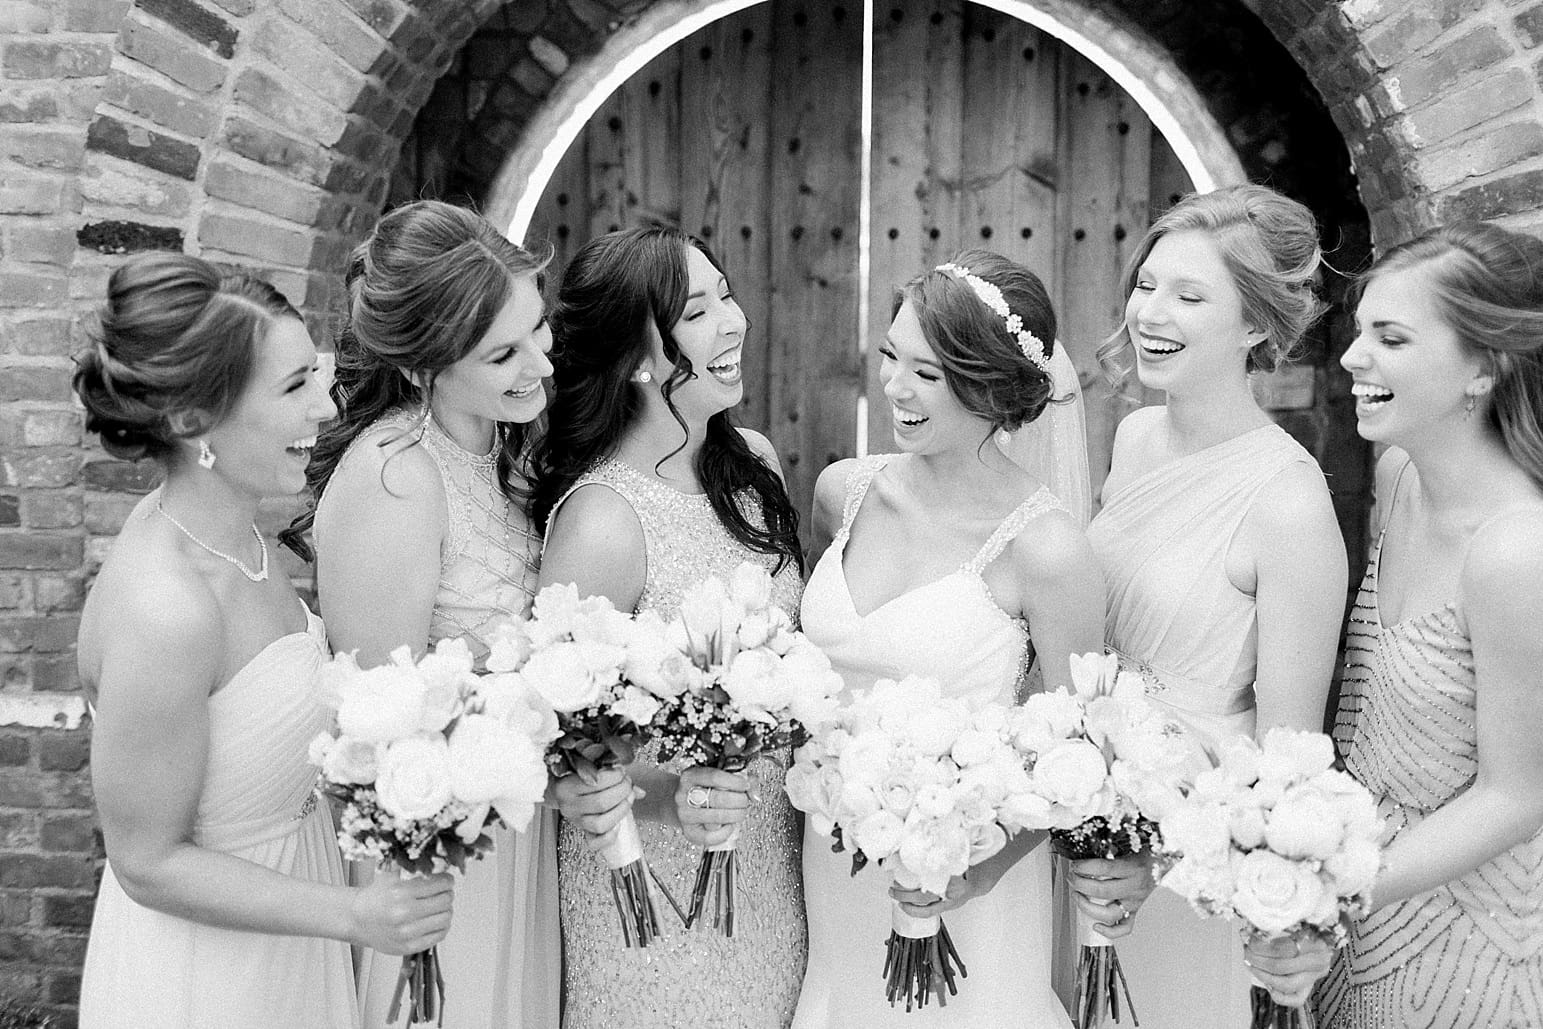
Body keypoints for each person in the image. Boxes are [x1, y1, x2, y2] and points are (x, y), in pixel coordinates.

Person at [74, 252, 453, 1028]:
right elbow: (144, 861)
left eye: (313, 371)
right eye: (291, 388)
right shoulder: (166, 607)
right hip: (208, 979)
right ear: (190, 422)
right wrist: (353, 915)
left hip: (288, 939)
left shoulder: (235, 535)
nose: (324, 404)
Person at [793, 250, 1105, 1028]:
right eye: (891, 356)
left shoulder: (1047, 551)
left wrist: (977, 871)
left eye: (927, 373)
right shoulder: (843, 492)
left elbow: (1074, 756)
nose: (895, 387)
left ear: (992, 385)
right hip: (831, 867)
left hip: (965, 885)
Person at [1069, 185, 1349, 1024]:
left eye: (1190, 296)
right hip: (1090, 822)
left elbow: (1284, 766)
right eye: (1147, 284)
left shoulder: (1288, 502)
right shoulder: (1132, 438)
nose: (1152, 310)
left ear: (1256, 326)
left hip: (1191, 863)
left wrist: (1153, 855)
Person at [285, 200, 557, 1029]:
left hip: (515, 828)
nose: (539, 365)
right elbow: (374, 722)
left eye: (539, 330)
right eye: (503, 353)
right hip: (437, 852)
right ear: (422, 366)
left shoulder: (507, 446)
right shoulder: (395, 476)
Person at [531, 226, 807, 1029]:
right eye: (697, 310)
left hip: (767, 863)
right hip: (649, 884)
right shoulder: (601, 522)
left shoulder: (753, 464)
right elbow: (561, 744)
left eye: (726, 294)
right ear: (638, 358)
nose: (733, 321)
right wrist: (666, 796)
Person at [1314, 222, 1543, 1028]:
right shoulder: (1399, 473)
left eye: (1391, 337)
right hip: (1360, 916)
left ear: (1482, 366)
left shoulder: (1517, 550)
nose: (1351, 356)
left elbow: (1517, 795)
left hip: (1465, 943)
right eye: (1359, 331)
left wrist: (1325, 887)